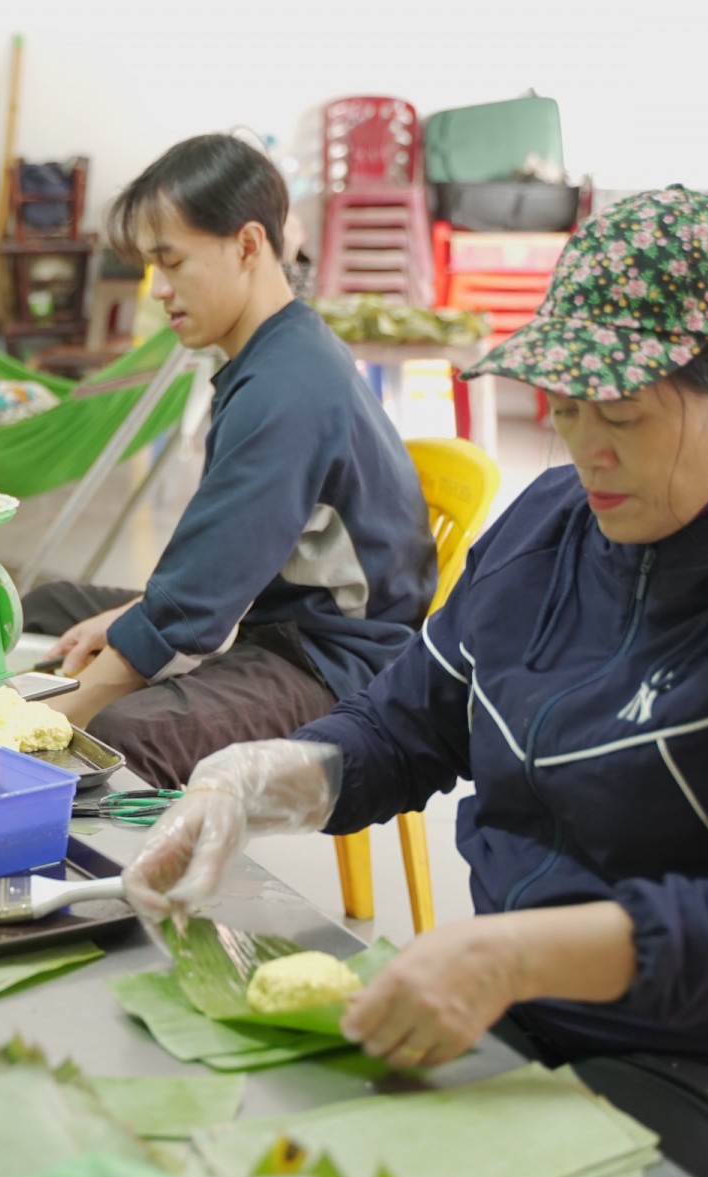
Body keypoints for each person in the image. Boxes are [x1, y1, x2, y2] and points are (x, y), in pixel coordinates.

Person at [124, 187, 708, 1177]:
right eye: (563, 409)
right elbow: (406, 724)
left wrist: (519, 955)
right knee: (271, 1150)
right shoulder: (558, 521)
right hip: (532, 1009)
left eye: (622, 416)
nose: (583, 450)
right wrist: (264, 778)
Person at [29, 133, 436, 789]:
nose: (159, 289)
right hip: (269, 619)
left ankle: (102, 856)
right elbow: (218, 571)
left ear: (248, 245)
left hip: (330, 661)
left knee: (118, 736)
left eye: (172, 263)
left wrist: (42, 726)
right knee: (51, 609)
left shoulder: (286, 390)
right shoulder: (272, 353)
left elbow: (195, 607)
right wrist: (129, 626)